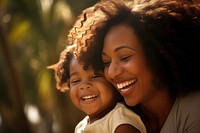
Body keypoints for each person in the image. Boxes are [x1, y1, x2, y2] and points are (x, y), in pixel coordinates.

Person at [67, 0, 200, 132]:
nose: (112, 72)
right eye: (107, 62)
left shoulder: (193, 109)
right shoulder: (112, 117)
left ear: (157, 55)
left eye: (125, 57)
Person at [48, 44, 147, 133]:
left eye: (95, 76)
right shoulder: (80, 127)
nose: (84, 85)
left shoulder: (120, 120)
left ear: (111, 80)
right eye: (76, 81)